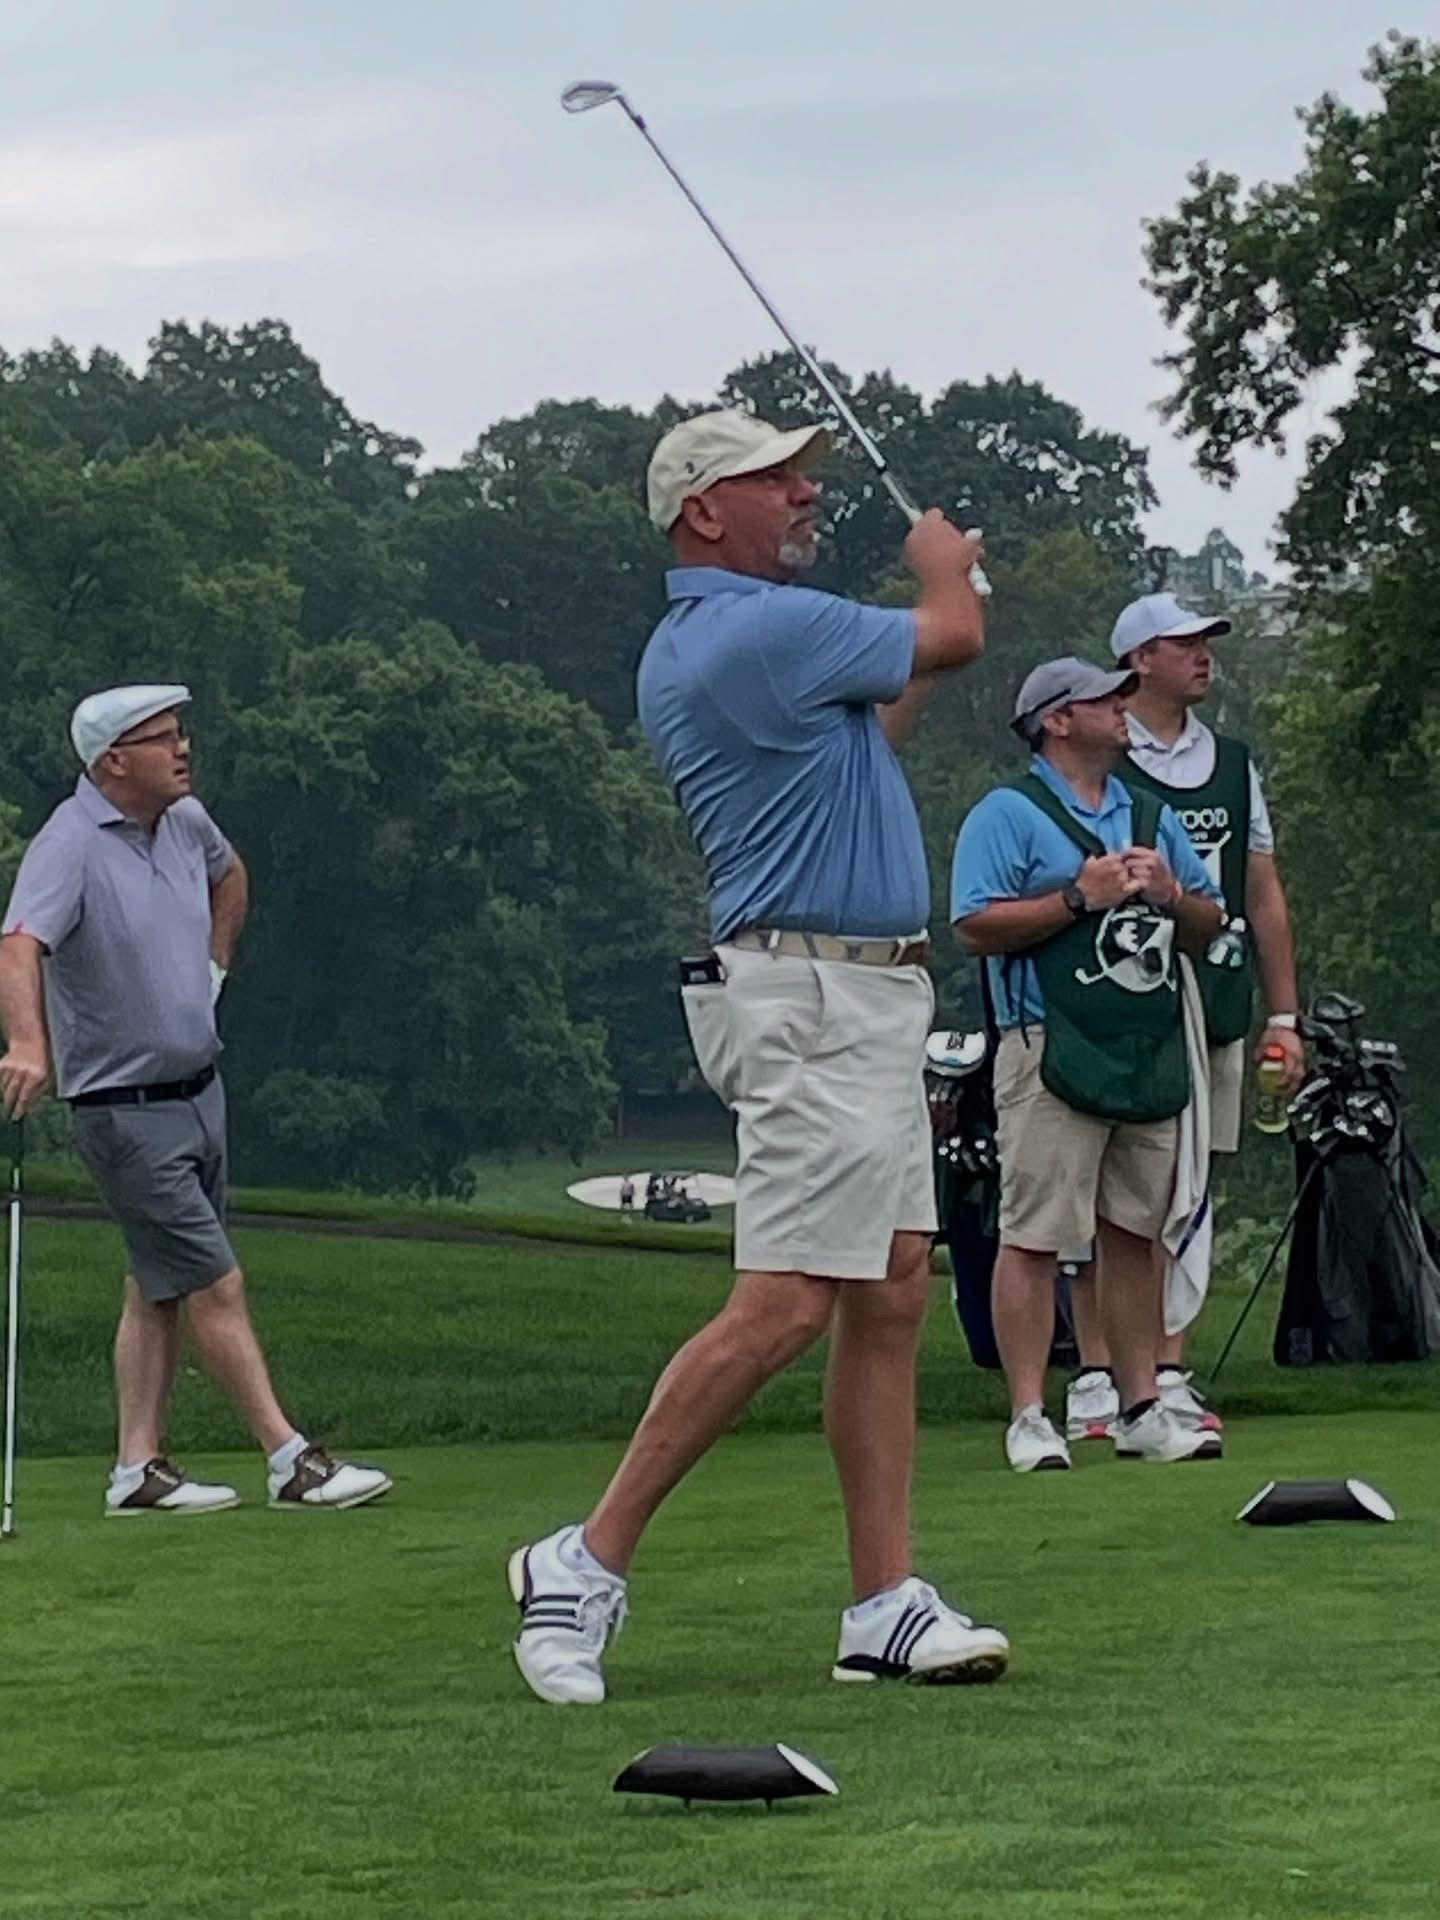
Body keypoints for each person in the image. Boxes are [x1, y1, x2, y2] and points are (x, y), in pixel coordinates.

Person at [508, 407, 1005, 1705]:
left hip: (861, 996)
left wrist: (933, 626)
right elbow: (951, 633)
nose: (802, 493)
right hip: (813, 1000)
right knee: (786, 1299)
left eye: (803, 476)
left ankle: (883, 1602)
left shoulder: (744, 648)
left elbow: (877, 731)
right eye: (772, 479)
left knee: (891, 1284)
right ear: (700, 512)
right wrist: (945, 567)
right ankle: (583, 1558)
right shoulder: (754, 631)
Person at [0, 685, 392, 1517]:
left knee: (160, 1284)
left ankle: (137, 1469)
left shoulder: (185, 823)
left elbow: (231, 875)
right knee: (215, 1281)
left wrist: (213, 968)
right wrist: (30, 1044)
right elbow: (20, 941)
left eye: (182, 735)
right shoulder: (68, 845)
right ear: (113, 762)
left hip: (197, 1092)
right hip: (122, 1104)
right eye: (163, 739)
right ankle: (290, 1458)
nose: (183, 749)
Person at [950, 657, 1226, 1473]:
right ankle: (1031, 1413)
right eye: (1106, 700)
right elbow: (973, 925)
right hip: (1047, 1044)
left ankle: (1140, 1403)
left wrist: (1172, 894)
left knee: (1135, 1233)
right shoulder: (1008, 813)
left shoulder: (1149, 812)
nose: (1123, 709)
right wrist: (1079, 897)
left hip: (1142, 1045)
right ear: (1056, 721)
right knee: (1035, 1234)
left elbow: (1212, 921)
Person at [1063, 593, 1306, 1440]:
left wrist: (1287, 1015)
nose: (1203, 655)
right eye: (1184, 644)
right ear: (1139, 660)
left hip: (1218, 996)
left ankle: (1167, 1368)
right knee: (1109, 1192)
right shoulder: (1101, 752)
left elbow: (1262, 893)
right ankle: (1097, 1373)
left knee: (1189, 1187)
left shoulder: (1234, 763)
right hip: (1121, 1001)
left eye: (1205, 643)